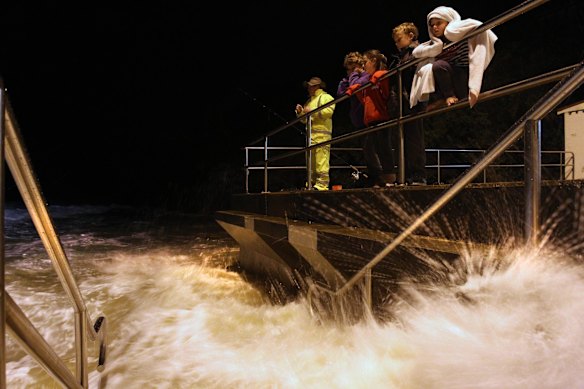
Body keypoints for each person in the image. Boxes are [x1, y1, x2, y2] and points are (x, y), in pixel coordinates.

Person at [411, 6, 498, 110]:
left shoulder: (460, 35)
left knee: (439, 65)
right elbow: (417, 52)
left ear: (448, 22)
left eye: (438, 23)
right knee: (430, 68)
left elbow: (476, 26)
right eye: (432, 25)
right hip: (446, 83)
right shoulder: (434, 44)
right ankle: (443, 98)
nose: (434, 27)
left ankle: (451, 97)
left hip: (462, 77)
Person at [345, 49, 396, 187]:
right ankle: (381, 178)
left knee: (384, 147)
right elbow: (359, 93)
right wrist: (353, 88)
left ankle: (390, 177)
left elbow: (384, 88)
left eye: (365, 62)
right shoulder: (369, 80)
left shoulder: (379, 75)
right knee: (376, 148)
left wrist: (361, 80)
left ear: (373, 61)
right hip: (370, 119)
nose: (364, 66)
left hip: (382, 117)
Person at [392, 22, 427, 185]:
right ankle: (407, 175)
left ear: (411, 36)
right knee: (405, 139)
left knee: (414, 138)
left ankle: (418, 175)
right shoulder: (404, 55)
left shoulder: (416, 52)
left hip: (413, 101)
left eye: (399, 39)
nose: (396, 44)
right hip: (405, 101)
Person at [295, 76, 336, 191]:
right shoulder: (310, 100)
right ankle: (311, 183)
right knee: (311, 162)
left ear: (317, 86)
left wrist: (310, 112)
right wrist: (300, 113)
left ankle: (322, 185)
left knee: (321, 161)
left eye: (310, 86)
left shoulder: (326, 97)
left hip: (322, 135)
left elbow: (328, 112)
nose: (308, 88)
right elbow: (304, 120)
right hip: (310, 136)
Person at [336, 51, 371, 186]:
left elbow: (358, 86)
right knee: (366, 149)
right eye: (349, 69)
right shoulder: (349, 79)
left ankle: (378, 175)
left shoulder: (366, 76)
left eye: (354, 68)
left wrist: (356, 74)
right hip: (358, 118)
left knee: (372, 148)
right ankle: (371, 173)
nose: (351, 72)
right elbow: (340, 93)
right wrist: (349, 79)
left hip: (368, 116)